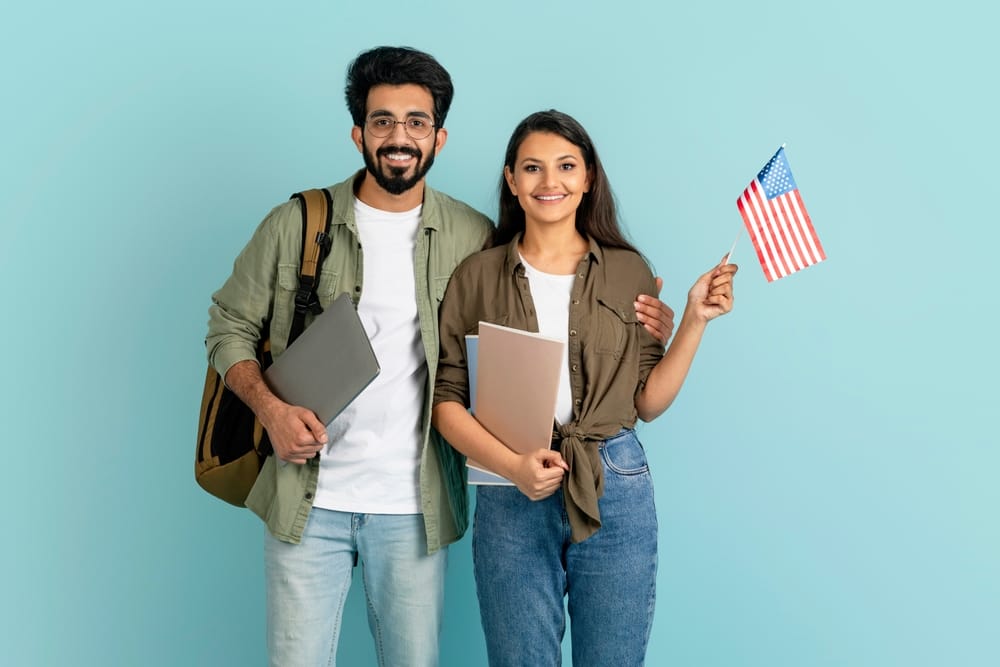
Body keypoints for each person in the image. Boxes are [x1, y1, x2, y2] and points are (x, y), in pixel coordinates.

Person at [206, 49, 676, 666]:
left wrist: (658, 325)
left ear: (439, 137)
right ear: (359, 133)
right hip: (306, 499)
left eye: (416, 122)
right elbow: (228, 325)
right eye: (382, 121)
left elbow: (545, 303)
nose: (399, 137)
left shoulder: (474, 237)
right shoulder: (297, 223)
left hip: (414, 507)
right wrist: (269, 409)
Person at [432, 110, 739, 666]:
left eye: (566, 166)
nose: (550, 182)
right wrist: (512, 467)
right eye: (533, 168)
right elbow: (446, 402)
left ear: (589, 177)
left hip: (615, 483)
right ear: (511, 181)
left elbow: (647, 403)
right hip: (510, 491)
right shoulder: (474, 276)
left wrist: (693, 320)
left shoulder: (628, 272)